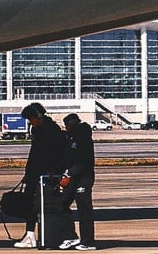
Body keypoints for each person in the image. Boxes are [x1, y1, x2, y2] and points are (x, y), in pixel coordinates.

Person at [14, 102, 68, 249]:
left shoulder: (51, 131)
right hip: (36, 173)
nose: (30, 122)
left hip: (45, 175)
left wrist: (52, 172)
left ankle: (33, 235)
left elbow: (50, 155)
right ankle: (31, 234)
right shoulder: (40, 130)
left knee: (37, 205)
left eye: (31, 119)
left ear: (38, 116)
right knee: (32, 204)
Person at [56, 113, 97, 251]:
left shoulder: (83, 137)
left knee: (84, 210)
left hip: (84, 179)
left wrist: (69, 175)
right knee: (61, 205)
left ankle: (88, 241)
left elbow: (82, 161)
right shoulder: (71, 138)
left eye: (67, 126)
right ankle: (70, 236)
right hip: (73, 178)